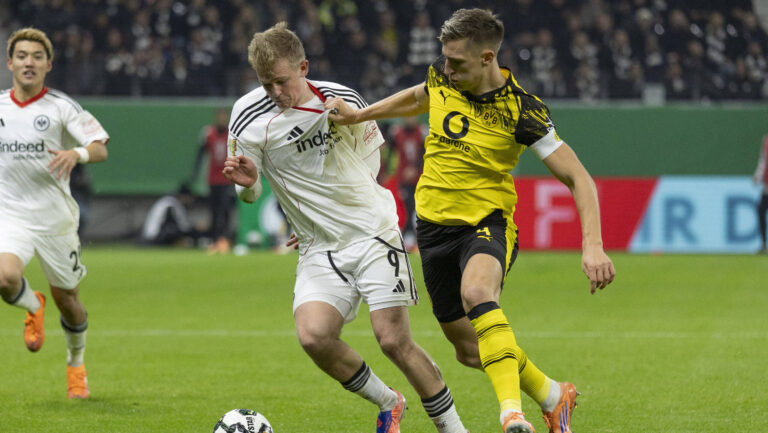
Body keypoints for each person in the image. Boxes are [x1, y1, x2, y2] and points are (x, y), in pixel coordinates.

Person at [327, 9, 616, 433]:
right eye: (445, 61)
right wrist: (358, 115)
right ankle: (555, 396)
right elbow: (420, 96)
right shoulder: (445, 80)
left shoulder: (523, 111)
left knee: (478, 291)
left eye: (457, 63)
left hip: (487, 222)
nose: (447, 70)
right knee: (467, 349)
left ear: (487, 59)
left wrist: (592, 245)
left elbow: (579, 178)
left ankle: (511, 414)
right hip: (432, 228)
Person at [222, 22, 468, 433]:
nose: (276, 93)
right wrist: (249, 186)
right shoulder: (246, 117)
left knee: (393, 341)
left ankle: (453, 428)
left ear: (303, 67)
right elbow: (248, 191)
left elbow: (372, 163)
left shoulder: (343, 99)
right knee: (314, 336)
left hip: (371, 233)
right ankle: (389, 402)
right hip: (318, 248)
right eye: (266, 85)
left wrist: (336, 209)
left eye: (282, 81)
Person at [0, 27, 109, 399]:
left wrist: (74, 154)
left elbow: (100, 147)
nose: (28, 62)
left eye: (37, 57)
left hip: (55, 220)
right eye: (22, 56)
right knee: (4, 277)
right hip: (10, 215)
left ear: (48, 64)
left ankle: (76, 364)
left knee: (70, 302)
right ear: (10, 62)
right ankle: (33, 303)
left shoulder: (61, 106)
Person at [189, 107, 235, 254]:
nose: (222, 119)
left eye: (224, 116)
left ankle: (224, 239)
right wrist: (195, 174)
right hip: (213, 179)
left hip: (227, 178)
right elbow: (200, 155)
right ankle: (215, 240)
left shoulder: (232, 134)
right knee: (214, 211)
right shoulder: (208, 133)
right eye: (219, 116)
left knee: (225, 209)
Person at [388, 116, 426, 251]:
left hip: (421, 178)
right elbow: (389, 154)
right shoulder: (396, 132)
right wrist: (389, 172)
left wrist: (415, 168)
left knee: (419, 208)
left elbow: (426, 153)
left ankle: (419, 237)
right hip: (403, 179)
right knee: (407, 207)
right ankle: (409, 237)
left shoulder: (422, 132)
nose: (410, 119)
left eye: (413, 116)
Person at [754, 133, 768, 253]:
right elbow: (763, 161)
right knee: (761, 212)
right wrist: (758, 176)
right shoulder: (766, 140)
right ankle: (763, 243)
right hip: (767, 186)